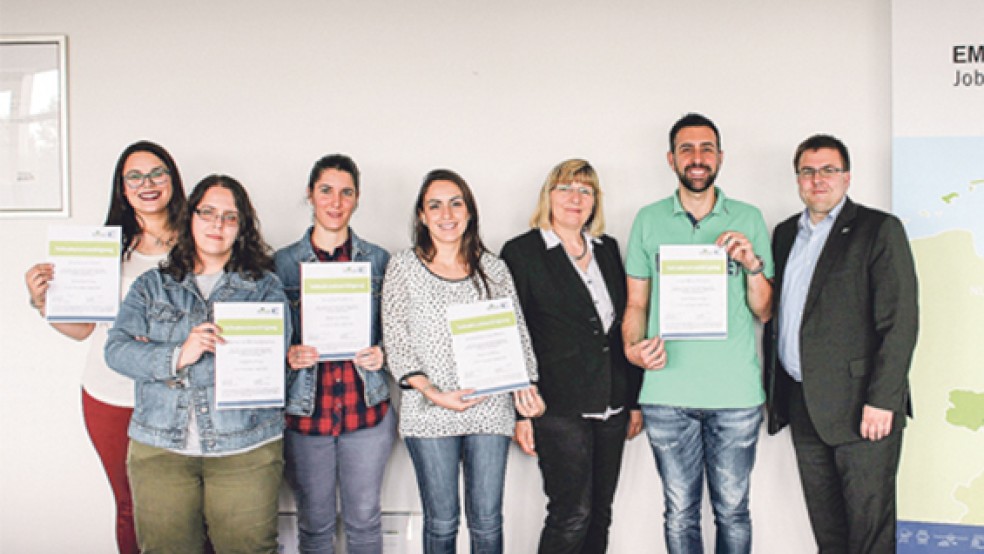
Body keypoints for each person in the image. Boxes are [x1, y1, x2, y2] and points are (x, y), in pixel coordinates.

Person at [104, 174, 289, 553]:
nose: (217, 225)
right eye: (207, 213)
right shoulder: (150, 285)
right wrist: (179, 353)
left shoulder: (265, 287)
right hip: (160, 448)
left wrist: (163, 365)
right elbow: (116, 352)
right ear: (190, 217)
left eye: (230, 217)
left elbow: (270, 365)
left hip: (246, 446)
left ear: (242, 228)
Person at [23, 140, 186, 554]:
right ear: (122, 189)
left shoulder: (199, 243)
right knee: (131, 506)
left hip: (179, 396)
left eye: (156, 173)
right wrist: (44, 301)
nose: (146, 184)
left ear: (172, 181)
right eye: (134, 176)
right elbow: (83, 331)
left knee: (187, 506)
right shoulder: (104, 249)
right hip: (111, 395)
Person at [622, 113, 773, 554]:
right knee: (680, 511)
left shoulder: (748, 217)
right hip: (668, 392)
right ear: (671, 159)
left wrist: (752, 265)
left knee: (733, 510)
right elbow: (636, 305)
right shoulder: (648, 219)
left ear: (720, 157)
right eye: (686, 149)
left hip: (735, 395)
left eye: (707, 148)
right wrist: (633, 348)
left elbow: (764, 310)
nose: (697, 158)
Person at [764, 134, 918, 554]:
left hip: (862, 408)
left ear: (847, 177)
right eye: (808, 171)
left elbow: (899, 323)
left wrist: (883, 400)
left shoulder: (878, 229)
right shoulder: (783, 235)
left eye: (828, 170)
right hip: (803, 404)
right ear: (797, 179)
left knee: (869, 536)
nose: (818, 180)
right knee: (828, 534)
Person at [381, 169, 545, 554]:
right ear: (422, 215)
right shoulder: (403, 268)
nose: (446, 213)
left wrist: (527, 401)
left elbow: (517, 336)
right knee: (442, 522)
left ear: (469, 212)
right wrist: (436, 394)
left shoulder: (495, 269)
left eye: (456, 203)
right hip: (429, 411)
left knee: (487, 521)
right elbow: (396, 342)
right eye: (434, 205)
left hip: (490, 410)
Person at [500, 159, 643, 554]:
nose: (575, 198)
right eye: (565, 188)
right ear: (548, 196)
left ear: (595, 201)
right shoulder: (521, 253)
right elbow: (511, 332)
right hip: (557, 406)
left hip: (611, 403)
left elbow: (621, 330)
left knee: (600, 513)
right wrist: (521, 412)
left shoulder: (608, 249)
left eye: (585, 190)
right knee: (571, 513)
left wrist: (632, 401)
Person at [274, 154, 397, 554]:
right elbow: (263, 342)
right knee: (314, 524)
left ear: (357, 199)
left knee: (364, 521)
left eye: (346, 193)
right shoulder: (281, 264)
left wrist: (384, 355)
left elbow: (399, 333)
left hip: (366, 411)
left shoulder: (379, 261)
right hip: (307, 415)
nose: (335, 201)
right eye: (326, 190)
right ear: (310, 195)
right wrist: (286, 356)